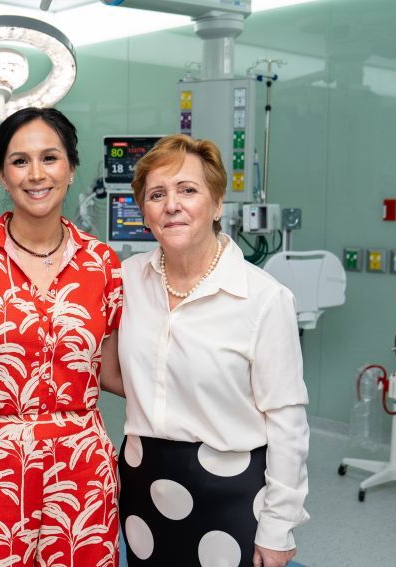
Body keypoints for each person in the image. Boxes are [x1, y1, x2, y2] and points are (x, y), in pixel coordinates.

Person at [0, 107, 122, 566]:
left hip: (83, 468)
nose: (36, 174)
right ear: (2, 175)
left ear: (71, 168)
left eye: (50, 158)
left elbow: (114, 372)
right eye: (20, 161)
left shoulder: (102, 263)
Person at [111, 133, 309, 567]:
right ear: (144, 213)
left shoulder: (263, 299)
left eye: (188, 190)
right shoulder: (125, 282)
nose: (172, 205)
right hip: (144, 480)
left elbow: (288, 422)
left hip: (230, 489)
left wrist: (279, 525)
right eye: (157, 195)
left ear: (217, 203)